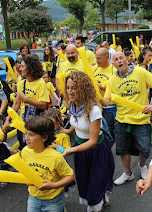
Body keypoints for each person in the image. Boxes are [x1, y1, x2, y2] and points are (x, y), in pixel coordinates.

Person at [101, 51, 152, 185]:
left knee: (145, 149)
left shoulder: (140, 72)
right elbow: (106, 101)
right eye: (116, 59)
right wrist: (96, 97)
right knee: (122, 149)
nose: (119, 61)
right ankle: (128, 173)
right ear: (113, 63)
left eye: (121, 58)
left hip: (141, 119)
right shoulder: (112, 80)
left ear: (126, 59)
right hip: (121, 119)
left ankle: (142, 165)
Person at [60, 71, 114, 211]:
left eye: (74, 87)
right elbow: (76, 123)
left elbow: (93, 141)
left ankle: (97, 204)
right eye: (68, 87)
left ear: (83, 88)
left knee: (96, 181)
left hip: (96, 150)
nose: (70, 91)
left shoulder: (93, 110)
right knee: (84, 180)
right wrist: (67, 131)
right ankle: (102, 198)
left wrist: (70, 150)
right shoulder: (72, 106)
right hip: (80, 148)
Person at [21, 116, 75, 212]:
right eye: (26, 133)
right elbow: (26, 169)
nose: (26, 138)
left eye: (31, 135)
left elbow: (70, 176)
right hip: (33, 197)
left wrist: (53, 185)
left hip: (53, 200)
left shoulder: (55, 157)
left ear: (44, 137)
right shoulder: (25, 151)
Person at [3, 55, 49, 150]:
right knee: (24, 148)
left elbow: (44, 105)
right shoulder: (21, 83)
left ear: (30, 68)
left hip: (37, 125)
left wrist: (26, 99)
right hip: (23, 123)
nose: (20, 68)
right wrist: (7, 119)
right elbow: (16, 104)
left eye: (23, 66)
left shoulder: (40, 83)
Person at [93, 48, 117, 146]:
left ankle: (108, 151)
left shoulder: (114, 70)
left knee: (109, 133)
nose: (97, 61)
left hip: (109, 106)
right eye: (96, 58)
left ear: (107, 57)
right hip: (96, 105)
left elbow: (117, 87)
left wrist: (103, 86)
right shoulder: (94, 68)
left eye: (99, 58)